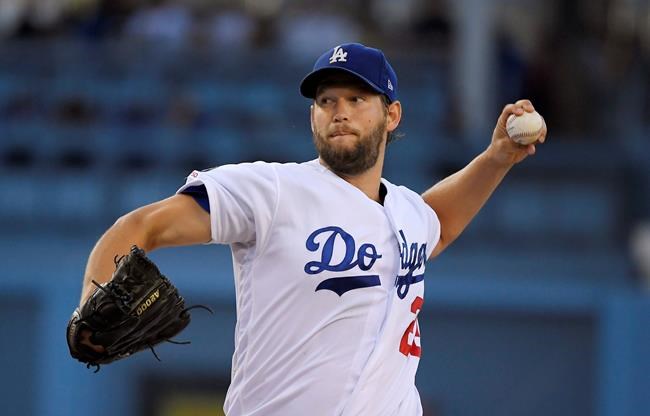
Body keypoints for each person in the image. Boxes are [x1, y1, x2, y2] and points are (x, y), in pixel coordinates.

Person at [78, 43, 547, 415]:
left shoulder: (407, 212)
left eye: (357, 98)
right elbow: (143, 226)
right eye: (326, 101)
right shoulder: (272, 190)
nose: (339, 111)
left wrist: (496, 158)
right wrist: (88, 308)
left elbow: (438, 225)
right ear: (312, 116)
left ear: (392, 115)